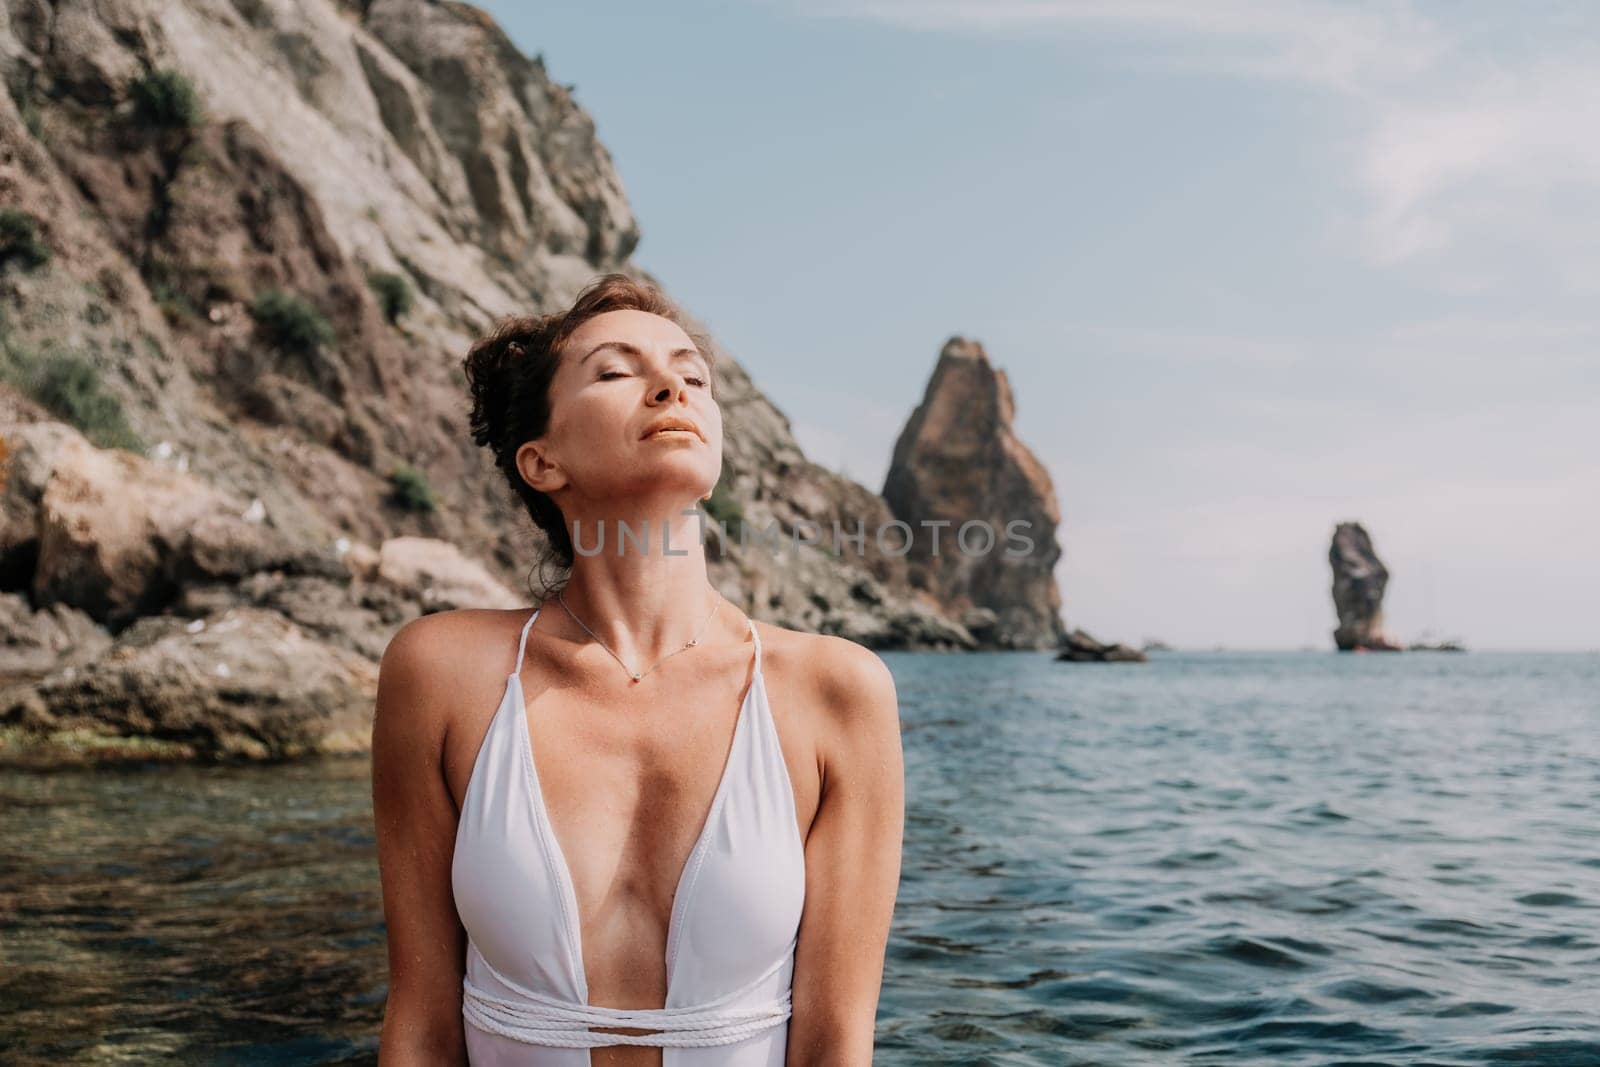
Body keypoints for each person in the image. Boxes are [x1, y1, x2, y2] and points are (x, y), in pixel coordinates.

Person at [371, 274, 905, 1066]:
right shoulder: (442, 676)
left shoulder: (835, 693)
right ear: (542, 461)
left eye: (693, 377)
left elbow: (833, 1043)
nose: (670, 388)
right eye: (617, 372)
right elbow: (421, 1023)